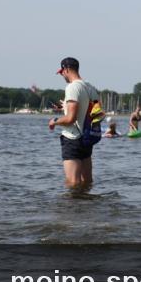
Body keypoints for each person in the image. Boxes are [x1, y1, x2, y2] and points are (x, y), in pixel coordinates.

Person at [48, 57, 101, 193]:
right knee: (87, 181)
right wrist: (65, 107)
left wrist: (55, 121)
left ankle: (72, 212)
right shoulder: (90, 87)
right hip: (87, 138)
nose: (62, 76)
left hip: (72, 139)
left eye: (62, 73)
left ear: (66, 70)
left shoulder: (72, 87)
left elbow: (70, 119)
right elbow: (94, 112)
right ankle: (86, 209)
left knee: (73, 182)